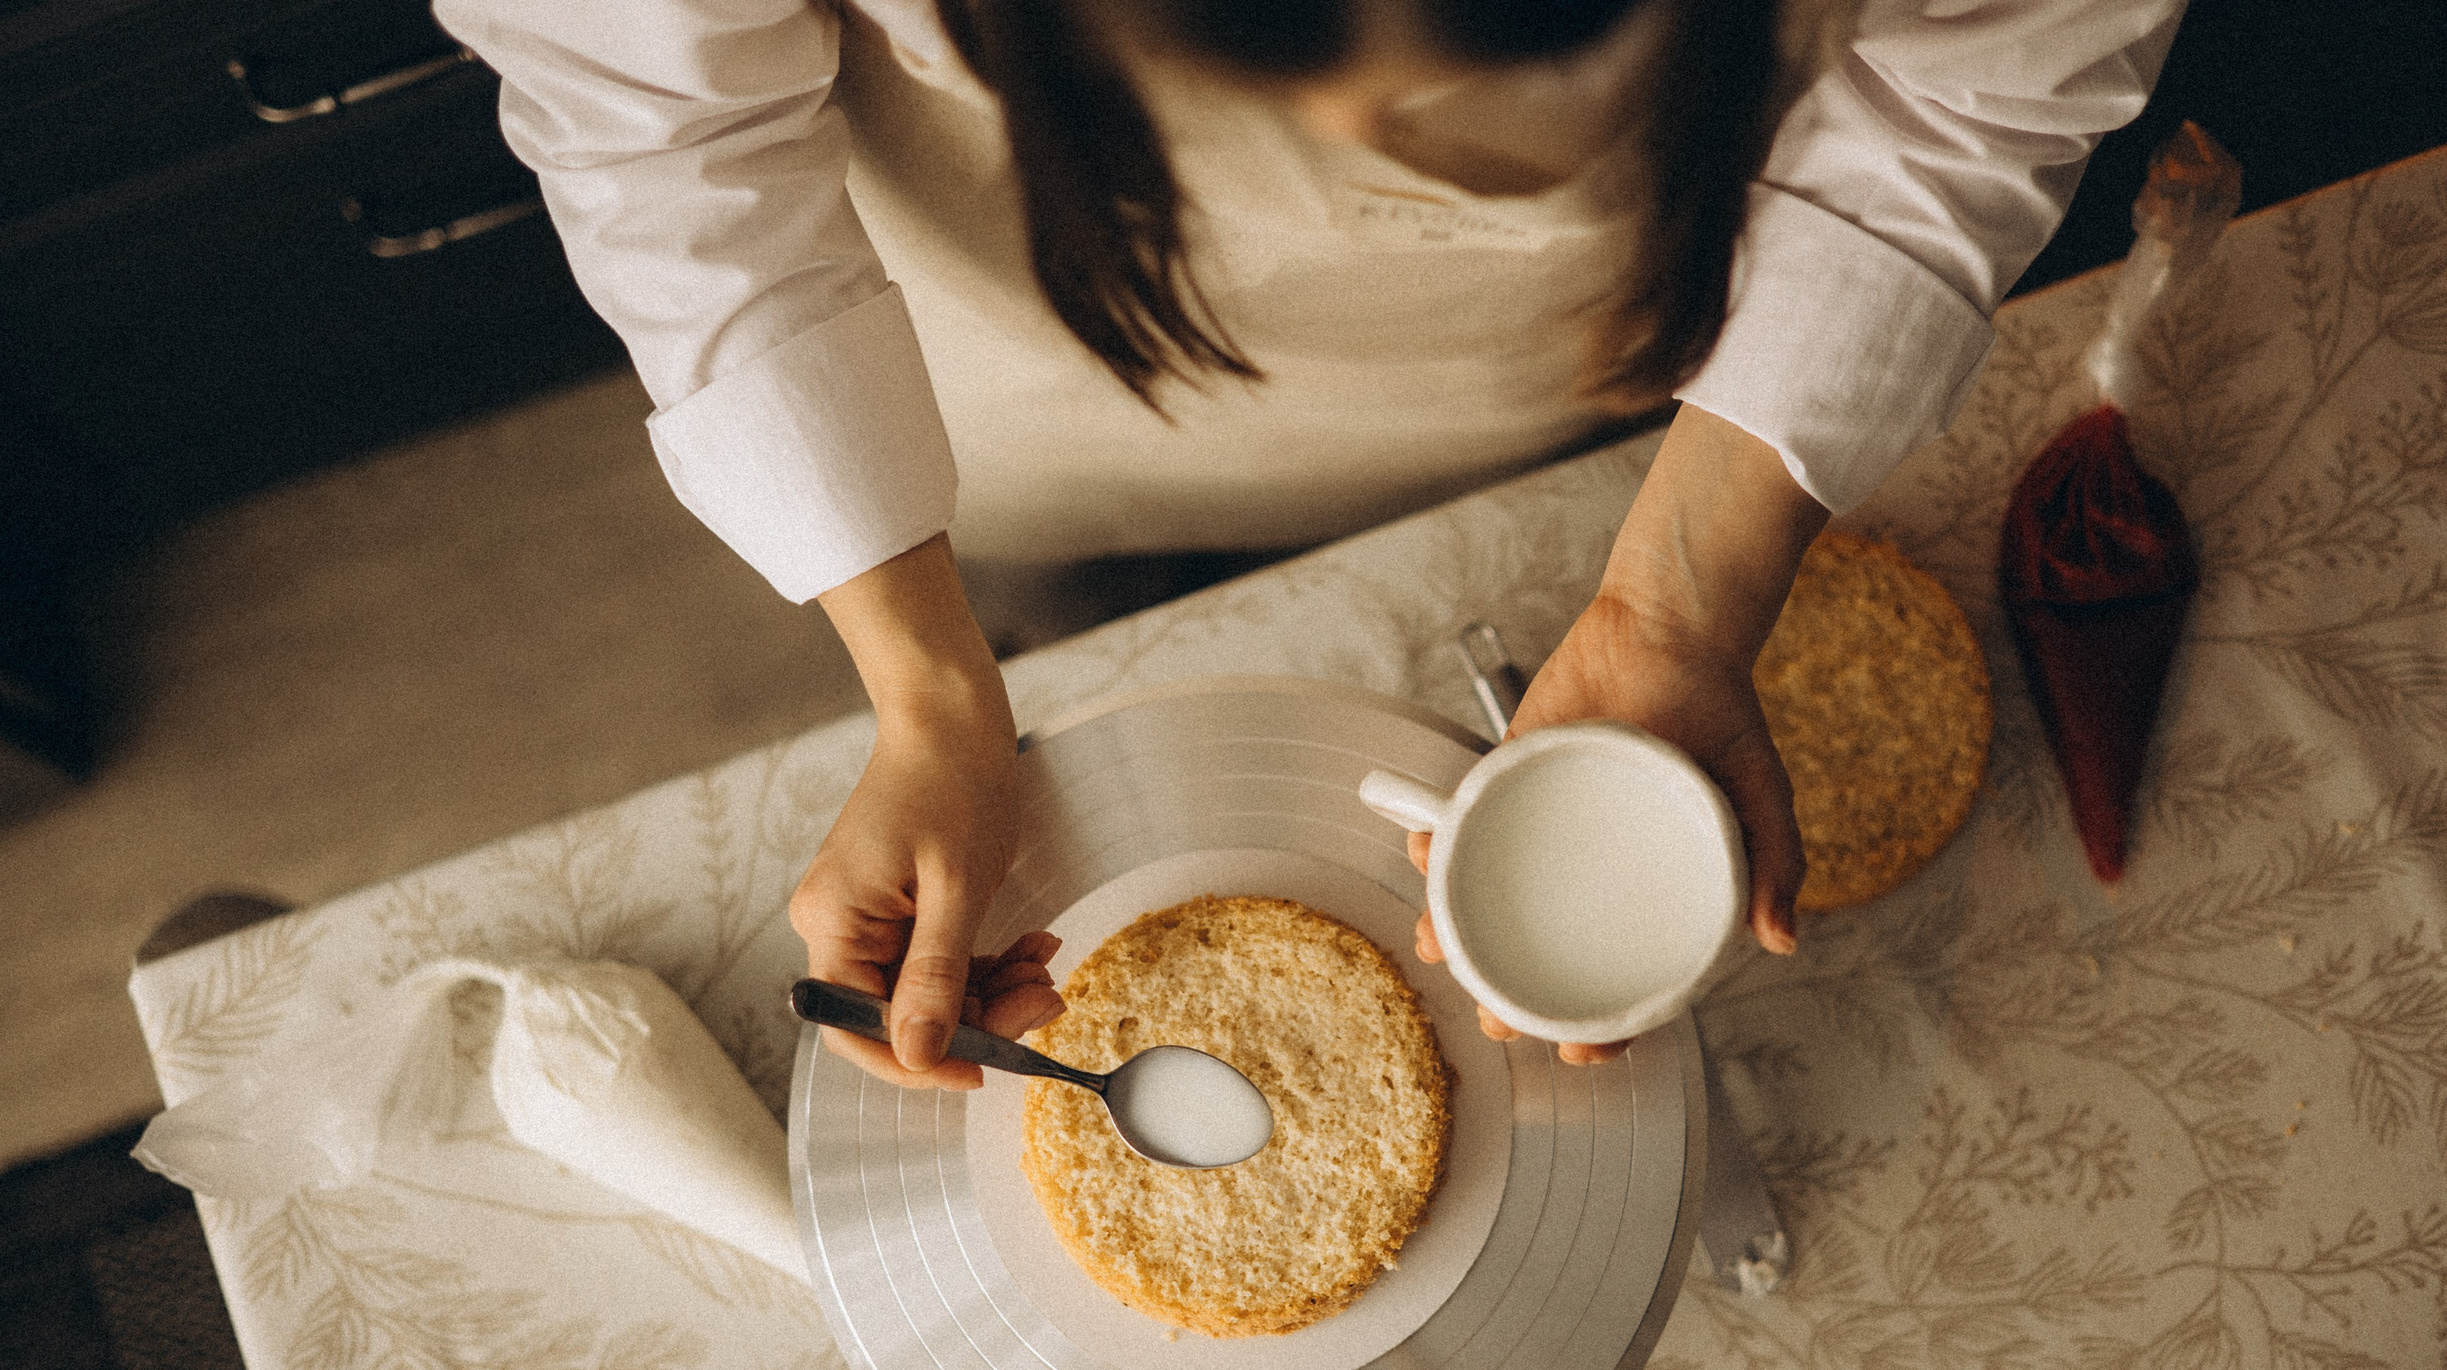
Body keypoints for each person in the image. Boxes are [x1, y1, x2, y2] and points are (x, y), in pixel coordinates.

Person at [432, 0, 2184, 1085]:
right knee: (1065, 585)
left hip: (1602, 365)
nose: (1377, 156)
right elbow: (669, 136)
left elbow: (1970, 97)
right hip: (1010, 380)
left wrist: (1676, 596)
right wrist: (927, 690)